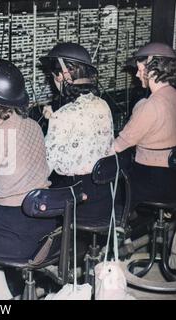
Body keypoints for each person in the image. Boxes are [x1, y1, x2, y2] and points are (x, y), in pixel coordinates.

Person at [0, 58, 54, 300]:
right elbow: (8, 156)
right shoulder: (33, 126)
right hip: (45, 225)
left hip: (14, 231)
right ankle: (7, 291)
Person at [40, 43, 115, 223]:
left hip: (77, 201)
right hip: (105, 196)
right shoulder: (103, 105)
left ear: (63, 75)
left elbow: (44, 168)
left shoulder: (63, 116)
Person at [115, 42, 176, 208]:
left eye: (140, 69)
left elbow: (119, 145)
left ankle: (124, 231)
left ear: (152, 70)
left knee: (113, 192)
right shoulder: (173, 94)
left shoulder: (150, 105)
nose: (136, 75)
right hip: (172, 176)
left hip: (153, 179)